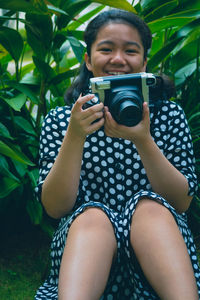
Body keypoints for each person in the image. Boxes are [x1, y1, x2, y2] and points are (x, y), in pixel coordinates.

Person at [35, 9, 200, 300]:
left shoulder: (169, 114)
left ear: (145, 61)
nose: (118, 59)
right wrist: (74, 136)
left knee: (150, 209)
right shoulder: (63, 120)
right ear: (88, 58)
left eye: (131, 50)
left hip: (160, 253)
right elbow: (55, 207)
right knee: (92, 217)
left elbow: (181, 202)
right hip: (85, 255)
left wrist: (144, 141)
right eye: (106, 49)